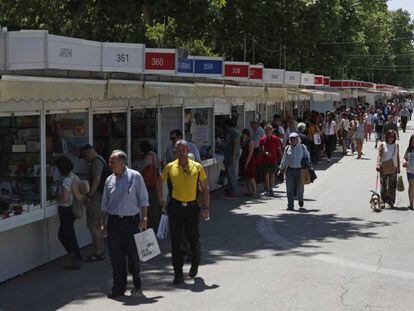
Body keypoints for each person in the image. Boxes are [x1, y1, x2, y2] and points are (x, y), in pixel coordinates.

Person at [158, 140, 210, 284]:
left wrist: (206, 207)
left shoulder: (197, 167)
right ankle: (178, 273)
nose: (180, 152)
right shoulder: (169, 167)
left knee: (193, 239)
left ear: (188, 150)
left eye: (183, 150)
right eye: (177, 150)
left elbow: (205, 188)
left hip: (192, 208)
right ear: (175, 152)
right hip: (175, 208)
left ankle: (194, 264)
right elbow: (159, 181)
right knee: (176, 242)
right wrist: (161, 199)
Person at [101, 150, 149, 299]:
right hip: (114, 222)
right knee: (116, 256)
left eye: (112, 162)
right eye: (110, 162)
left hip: (131, 221)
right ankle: (118, 288)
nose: (110, 165)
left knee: (132, 255)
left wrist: (144, 218)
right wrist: (103, 223)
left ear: (122, 162)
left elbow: (144, 199)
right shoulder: (109, 180)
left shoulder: (135, 177)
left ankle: (135, 276)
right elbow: (105, 204)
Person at [79, 144, 109, 262]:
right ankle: (100, 250)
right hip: (100, 196)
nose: (85, 159)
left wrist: (90, 195)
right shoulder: (101, 160)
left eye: (85, 156)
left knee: (93, 225)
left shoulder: (96, 162)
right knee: (97, 225)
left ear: (88, 152)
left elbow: (97, 179)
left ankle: (98, 252)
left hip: (96, 196)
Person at [55, 156, 82, 270]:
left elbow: (64, 198)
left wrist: (57, 197)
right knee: (68, 234)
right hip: (71, 209)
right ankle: (75, 256)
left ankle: (74, 257)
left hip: (65, 209)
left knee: (65, 235)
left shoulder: (66, 180)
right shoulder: (74, 177)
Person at [278, 132, 310, 211]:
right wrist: (281, 169)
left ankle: (300, 199)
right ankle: (290, 205)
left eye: (294, 138)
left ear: (297, 139)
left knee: (300, 188)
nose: (293, 140)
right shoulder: (287, 148)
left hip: (300, 170)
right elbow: (284, 159)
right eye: (291, 139)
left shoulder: (302, 147)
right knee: (289, 188)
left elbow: (307, 157)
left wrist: (308, 167)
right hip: (290, 170)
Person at [138, 140, 161, 231]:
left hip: (149, 185)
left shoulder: (148, 157)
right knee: (154, 209)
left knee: (149, 209)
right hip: (154, 184)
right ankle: (153, 228)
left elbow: (141, 169)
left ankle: (149, 228)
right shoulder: (155, 156)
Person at [376, 130, 400, 209]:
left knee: (392, 185)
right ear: (387, 136)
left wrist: (399, 167)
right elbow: (379, 155)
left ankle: (390, 201)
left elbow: (397, 156)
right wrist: (378, 164)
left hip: (394, 167)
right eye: (390, 136)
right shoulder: (383, 144)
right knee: (383, 185)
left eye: (393, 136)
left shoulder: (396, 145)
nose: (391, 138)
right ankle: (382, 201)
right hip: (384, 167)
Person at [260, 124, 283, 197]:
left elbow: (279, 150)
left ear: (271, 130)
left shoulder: (276, 139)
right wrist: (265, 152)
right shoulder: (262, 139)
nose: (267, 131)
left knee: (272, 175)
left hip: (274, 160)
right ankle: (267, 188)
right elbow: (261, 150)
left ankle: (271, 189)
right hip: (265, 160)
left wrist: (282, 160)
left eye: (269, 130)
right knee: (266, 175)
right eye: (266, 130)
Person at [223, 118, 241, 199]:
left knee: (231, 175)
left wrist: (233, 156)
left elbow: (235, 144)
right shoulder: (231, 132)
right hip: (228, 156)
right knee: (229, 174)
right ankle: (231, 190)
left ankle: (233, 193)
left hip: (231, 157)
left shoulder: (234, 132)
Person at [239, 129, 257, 198]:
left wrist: (247, 162)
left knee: (251, 177)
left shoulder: (251, 142)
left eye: (244, 134)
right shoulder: (245, 141)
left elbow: (250, 153)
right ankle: (249, 191)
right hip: (244, 159)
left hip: (250, 161)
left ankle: (254, 192)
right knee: (246, 177)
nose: (243, 135)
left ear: (247, 134)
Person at [403, 134, 414, 210]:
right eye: (412, 141)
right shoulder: (408, 149)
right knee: (411, 186)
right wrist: (404, 162)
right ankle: (411, 204)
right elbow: (405, 157)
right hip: (410, 171)